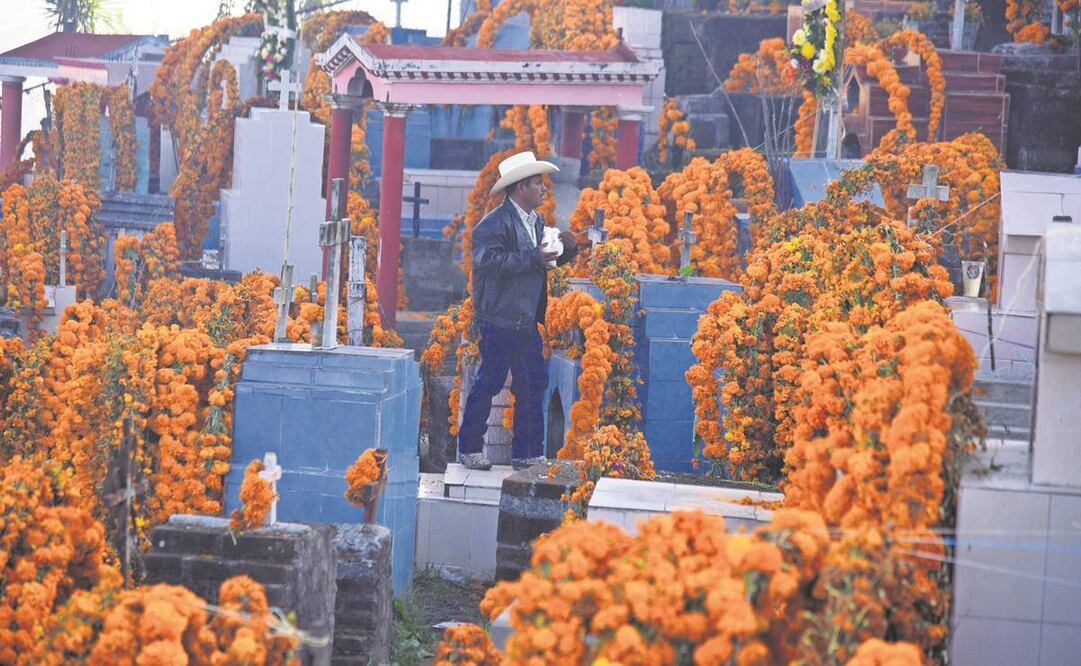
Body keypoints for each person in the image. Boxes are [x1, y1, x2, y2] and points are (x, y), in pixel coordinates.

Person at [457, 151, 579, 470]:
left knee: (533, 383)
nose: (544, 188)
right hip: (498, 320)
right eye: (539, 183)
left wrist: (567, 250)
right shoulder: (492, 225)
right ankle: (469, 449)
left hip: (525, 321)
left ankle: (527, 454)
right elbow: (488, 265)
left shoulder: (535, 221)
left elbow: (543, 263)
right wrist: (533, 257)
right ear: (521, 187)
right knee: (490, 382)